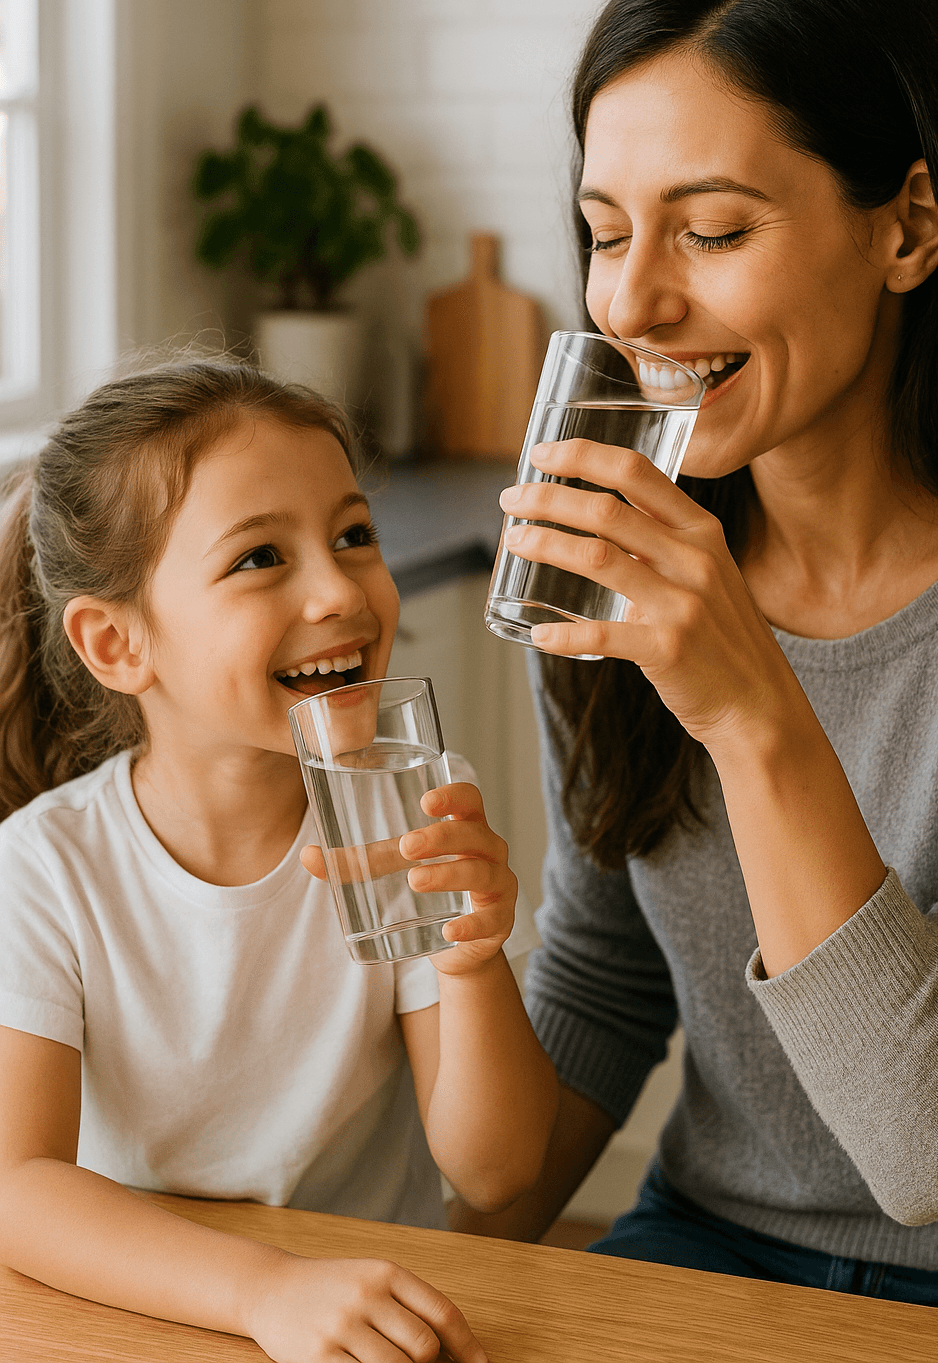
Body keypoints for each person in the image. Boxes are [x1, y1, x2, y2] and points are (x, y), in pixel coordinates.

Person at [451, 0, 938, 1318]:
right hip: (699, 1257)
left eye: (713, 229)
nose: (635, 300)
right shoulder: (624, 560)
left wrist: (749, 707)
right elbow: (602, 987)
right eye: (604, 232)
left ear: (911, 225)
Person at [0, 357, 557, 1362]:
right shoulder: (43, 871)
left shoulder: (404, 810)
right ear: (118, 644)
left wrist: (472, 962)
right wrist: (264, 1292)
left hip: (364, 1327)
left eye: (354, 535)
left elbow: (495, 1171)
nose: (339, 590)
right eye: (261, 557)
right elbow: (16, 1189)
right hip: (142, 1313)